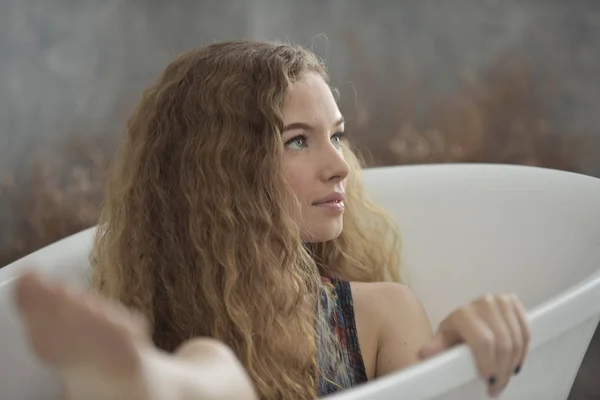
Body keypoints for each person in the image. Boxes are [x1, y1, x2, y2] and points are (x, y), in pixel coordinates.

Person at [16, 40, 531, 400]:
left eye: (337, 135)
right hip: (146, 377)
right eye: (298, 140)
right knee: (207, 359)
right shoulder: (125, 329)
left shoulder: (380, 315)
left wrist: (463, 358)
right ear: (219, 176)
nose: (337, 167)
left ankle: (161, 386)